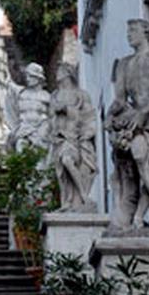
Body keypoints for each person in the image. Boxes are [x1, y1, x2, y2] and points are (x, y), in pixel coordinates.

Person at [105, 19, 149, 229]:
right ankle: (145, 215)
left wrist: (143, 114)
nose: (129, 35)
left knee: (146, 162)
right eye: (128, 31)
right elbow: (119, 99)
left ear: (146, 33)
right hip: (135, 119)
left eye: (133, 31)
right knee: (140, 159)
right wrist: (110, 117)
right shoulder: (124, 64)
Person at [50, 63, 97, 212]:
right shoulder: (55, 95)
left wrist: (66, 109)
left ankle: (83, 195)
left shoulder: (80, 95)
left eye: (60, 70)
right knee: (61, 173)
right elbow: (51, 116)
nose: (57, 73)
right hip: (59, 138)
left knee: (67, 161)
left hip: (74, 137)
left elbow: (88, 115)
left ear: (67, 73)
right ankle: (67, 202)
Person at [5, 63, 51, 153]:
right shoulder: (21, 93)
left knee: (40, 156)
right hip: (24, 129)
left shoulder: (47, 96)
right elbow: (8, 83)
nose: (27, 79)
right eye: (27, 76)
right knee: (20, 147)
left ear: (38, 78)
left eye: (30, 76)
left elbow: (52, 116)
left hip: (41, 131)